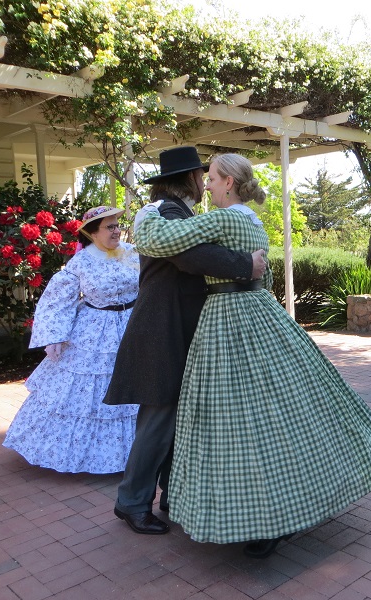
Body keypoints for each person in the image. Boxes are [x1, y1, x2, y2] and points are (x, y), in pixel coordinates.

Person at [133, 153, 371, 558]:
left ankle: (267, 517)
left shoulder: (225, 217)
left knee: (243, 422)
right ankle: (291, 504)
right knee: (277, 411)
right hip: (261, 313)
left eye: (214, 178)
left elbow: (155, 241)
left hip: (228, 320)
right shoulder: (252, 220)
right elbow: (263, 275)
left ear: (230, 183)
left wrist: (145, 215)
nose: (209, 185)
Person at [105, 146, 267, 536]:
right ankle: (131, 503)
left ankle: (170, 497)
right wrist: (246, 265)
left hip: (175, 330)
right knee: (158, 422)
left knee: (177, 421)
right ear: (190, 179)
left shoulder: (178, 213)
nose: (205, 181)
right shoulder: (163, 213)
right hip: (162, 333)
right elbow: (194, 257)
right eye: (202, 175)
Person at [3, 206, 140, 474]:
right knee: (88, 394)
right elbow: (58, 300)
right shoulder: (82, 261)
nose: (117, 230)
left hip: (132, 326)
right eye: (109, 227)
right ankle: (95, 458)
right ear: (92, 232)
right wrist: (54, 336)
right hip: (94, 333)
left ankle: (139, 455)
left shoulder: (131, 252)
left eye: (117, 225)